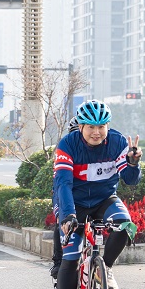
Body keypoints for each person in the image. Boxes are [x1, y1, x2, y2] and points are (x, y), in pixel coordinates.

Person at [51, 101, 142, 289]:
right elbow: (63, 184)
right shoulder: (67, 144)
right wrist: (68, 215)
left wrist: (133, 163)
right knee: (71, 256)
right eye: (91, 127)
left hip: (104, 198)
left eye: (101, 127)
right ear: (81, 126)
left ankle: (105, 268)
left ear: (107, 126)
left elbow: (130, 180)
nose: (96, 132)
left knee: (125, 225)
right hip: (74, 202)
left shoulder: (117, 142)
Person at [49, 115, 80, 279]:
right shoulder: (66, 148)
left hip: (84, 196)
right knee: (60, 221)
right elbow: (61, 183)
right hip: (63, 191)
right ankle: (58, 261)